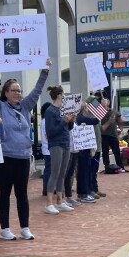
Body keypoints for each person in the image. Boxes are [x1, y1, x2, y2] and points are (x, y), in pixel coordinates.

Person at [0, 60, 51, 240]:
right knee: (5, 192)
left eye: (19, 90)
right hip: (5, 157)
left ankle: (25, 227)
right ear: (5, 92)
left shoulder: (26, 106)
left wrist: (44, 72)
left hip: (23, 156)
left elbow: (37, 91)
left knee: (22, 193)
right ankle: (5, 229)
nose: (17, 93)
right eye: (13, 90)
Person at [43, 86, 76, 214]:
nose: (65, 97)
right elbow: (50, 132)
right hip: (56, 143)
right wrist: (64, 121)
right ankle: (49, 202)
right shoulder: (50, 111)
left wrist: (71, 121)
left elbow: (68, 127)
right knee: (55, 172)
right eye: (63, 95)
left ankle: (60, 200)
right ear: (58, 96)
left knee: (63, 173)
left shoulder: (63, 110)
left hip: (65, 142)